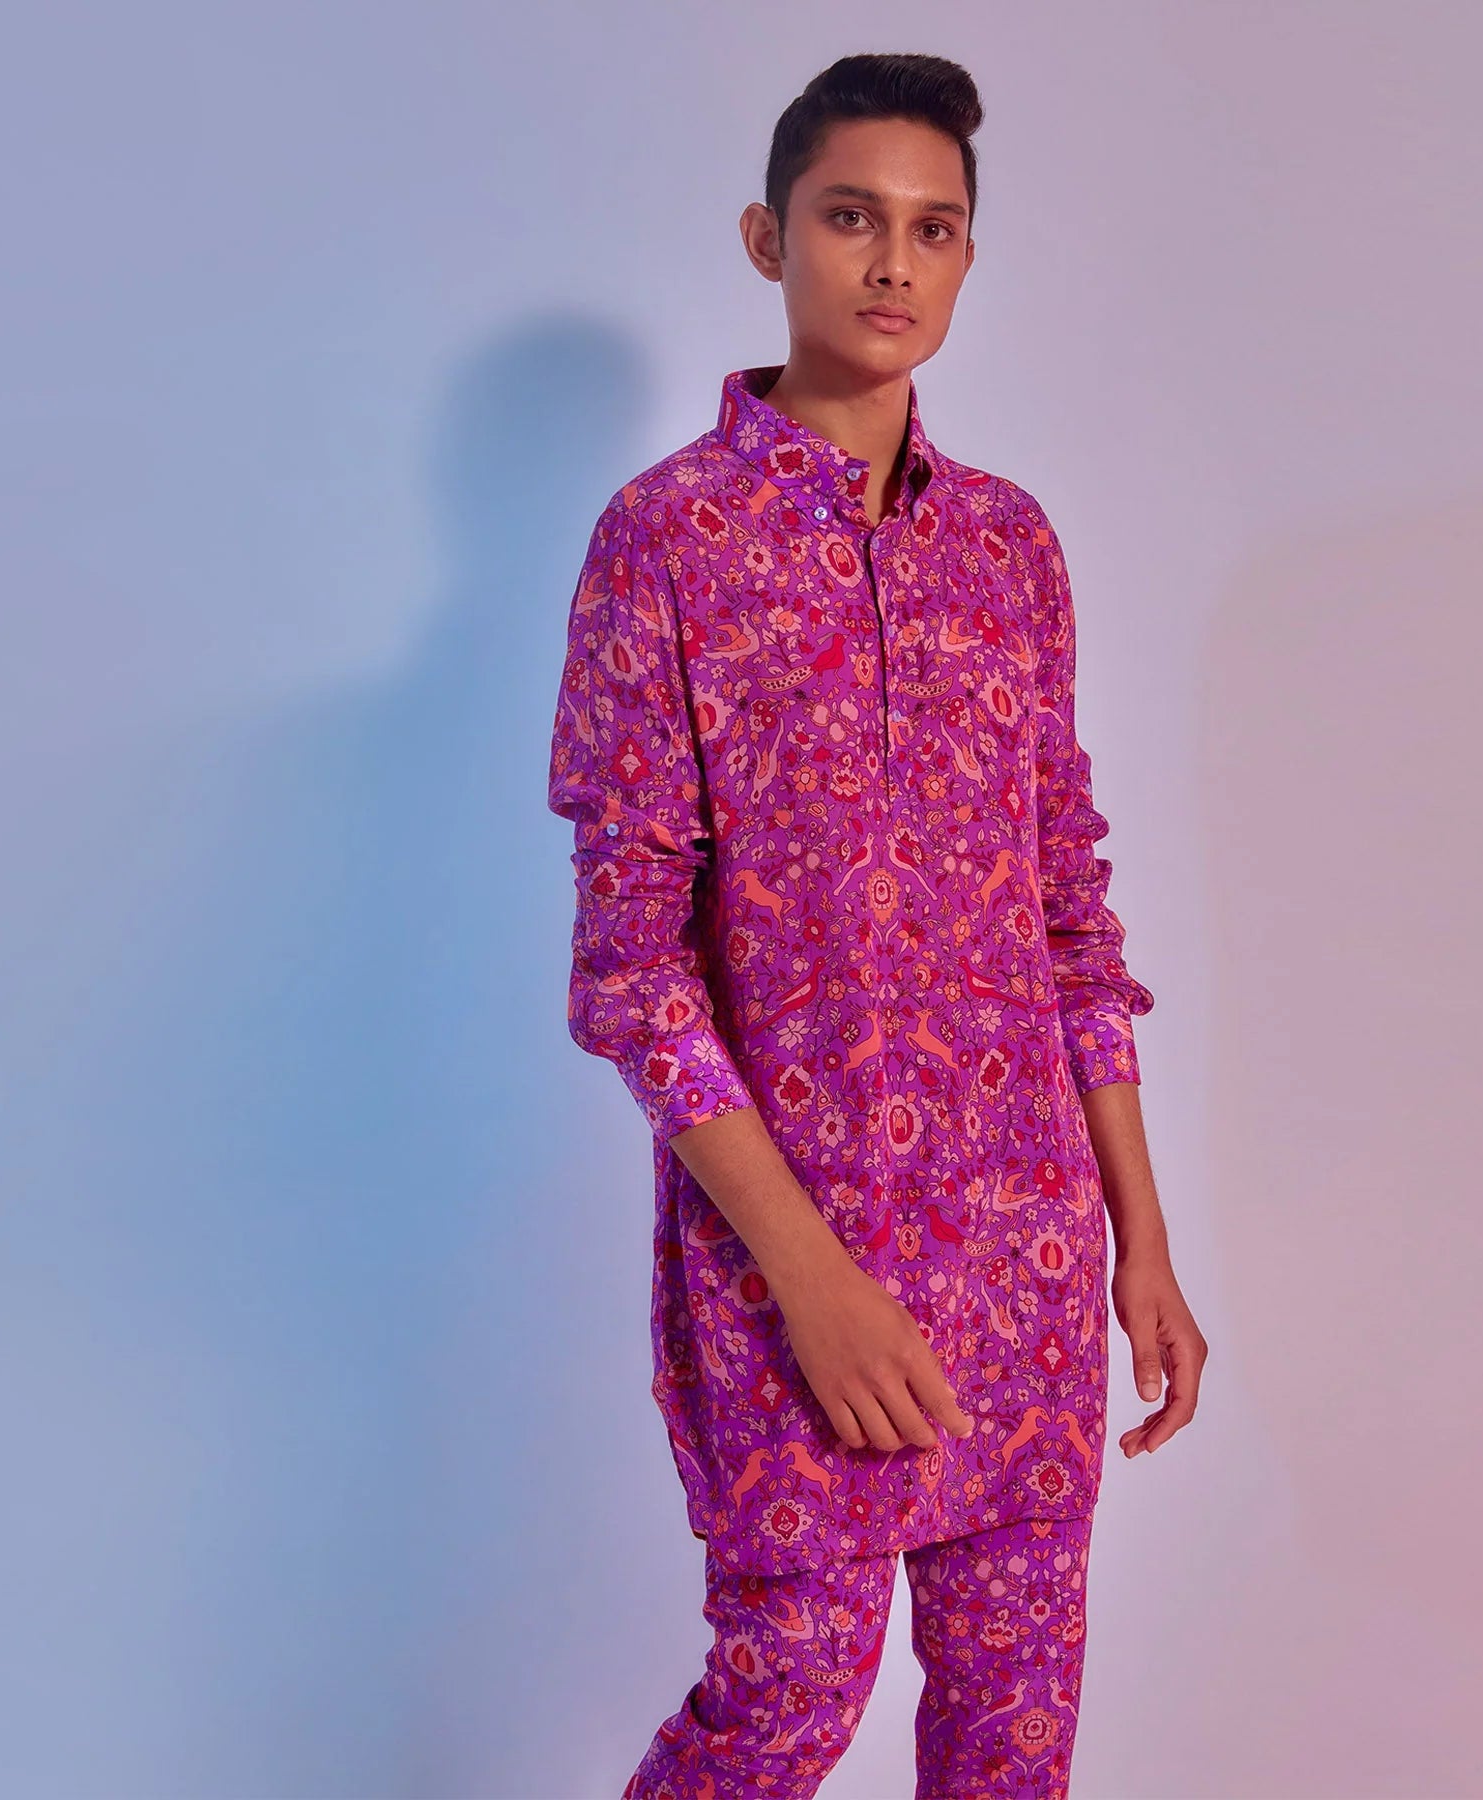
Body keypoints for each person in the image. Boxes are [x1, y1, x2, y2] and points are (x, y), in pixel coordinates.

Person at [546, 51, 1208, 1800]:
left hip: (1029, 1257)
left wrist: (1142, 1242)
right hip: (794, 1260)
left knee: (1011, 1748)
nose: (893, 262)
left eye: (934, 228)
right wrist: (812, 1279)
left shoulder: (1010, 547)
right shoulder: (666, 539)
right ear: (770, 238)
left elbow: (1071, 915)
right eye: (852, 218)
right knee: (781, 1708)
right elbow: (631, 972)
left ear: (969, 257)